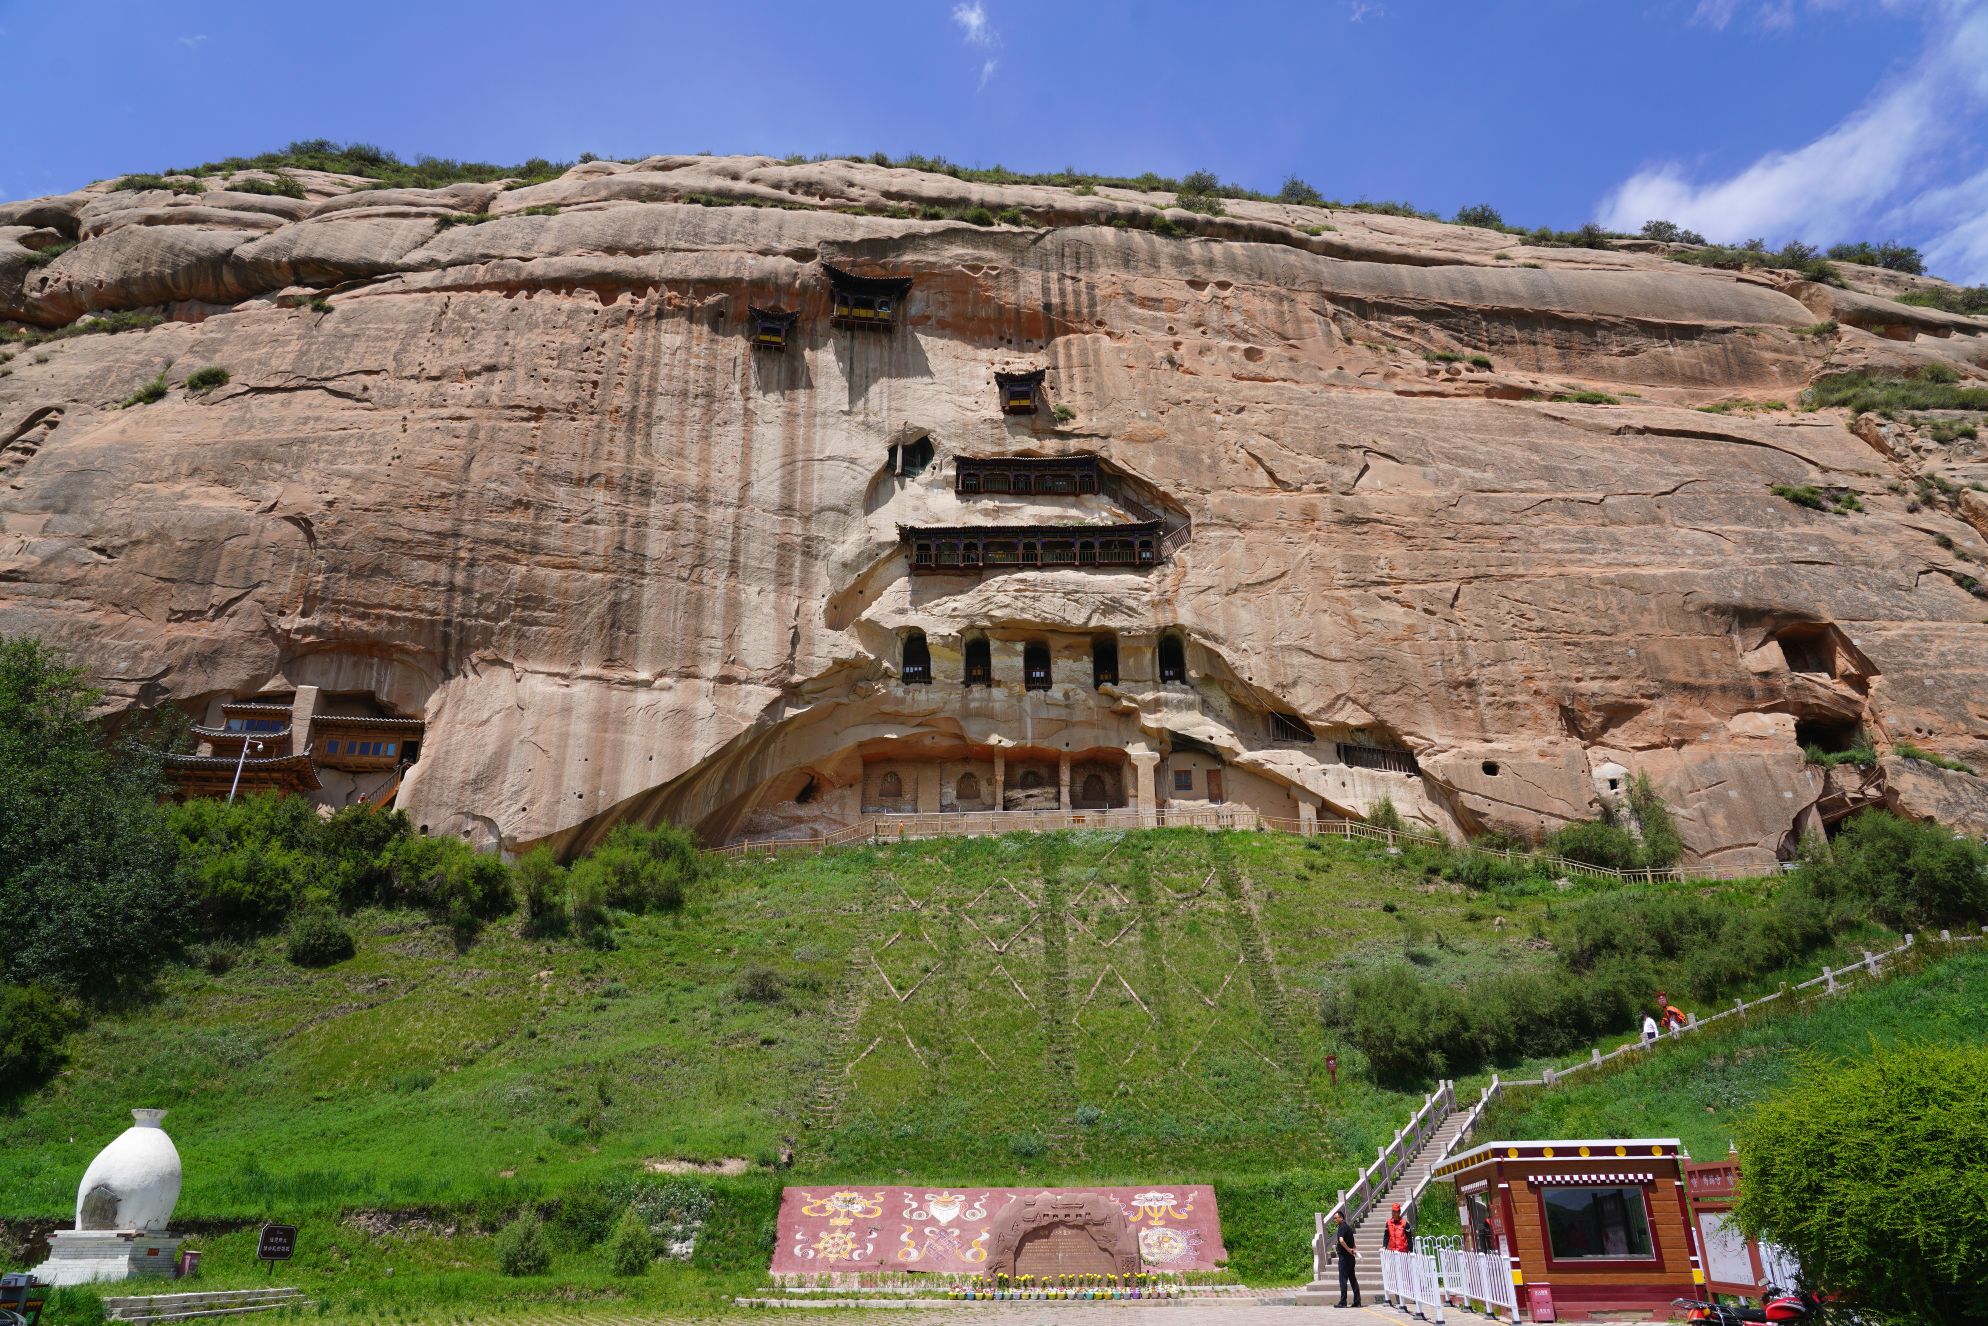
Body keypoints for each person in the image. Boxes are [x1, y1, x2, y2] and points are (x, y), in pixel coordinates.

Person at [1336, 1211, 1360, 1307]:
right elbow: (1353, 1242)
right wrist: (1353, 1250)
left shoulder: (1341, 1227)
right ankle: (1357, 1301)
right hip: (1350, 1258)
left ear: (1341, 1218)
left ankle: (1343, 1302)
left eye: (1336, 1218)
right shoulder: (1348, 1228)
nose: (1335, 1220)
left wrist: (1348, 1250)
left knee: (1343, 1280)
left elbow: (1341, 1240)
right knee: (1352, 1279)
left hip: (1344, 1258)